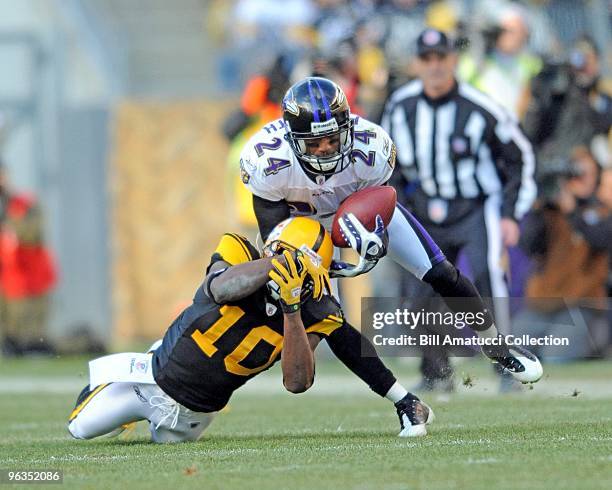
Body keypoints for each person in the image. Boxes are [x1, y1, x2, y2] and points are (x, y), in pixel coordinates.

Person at [239, 75, 541, 404]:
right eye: (314, 143)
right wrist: (318, 265)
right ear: (293, 138)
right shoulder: (266, 161)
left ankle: (497, 345)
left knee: (441, 272)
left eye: (332, 139)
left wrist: (373, 238)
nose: (325, 149)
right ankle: (402, 398)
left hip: (358, 213)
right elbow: (275, 235)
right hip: (305, 227)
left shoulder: (370, 146)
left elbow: (379, 204)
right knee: (331, 320)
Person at [67, 217, 434, 443]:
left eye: (298, 267)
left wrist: (291, 311)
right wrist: (280, 263)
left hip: (198, 413)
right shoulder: (238, 251)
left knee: (164, 444)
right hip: (150, 379)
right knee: (80, 428)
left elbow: (296, 382)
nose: (286, 271)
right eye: (279, 256)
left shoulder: (315, 307)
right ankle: (114, 384)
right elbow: (218, 288)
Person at [380, 29, 537, 390]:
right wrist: (393, 206)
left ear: (454, 59)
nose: (435, 66)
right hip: (421, 210)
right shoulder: (400, 106)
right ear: (417, 63)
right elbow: (386, 163)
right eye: (427, 59)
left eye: (442, 58)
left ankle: (506, 367)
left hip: (473, 209)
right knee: (416, 295)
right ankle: (437, 373)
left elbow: (520, 156)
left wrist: (511, 212)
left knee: (485, 280)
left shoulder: (480, 106)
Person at [0, 161, 57, 356]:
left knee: (32, 335)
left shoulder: (23, 204)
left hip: (30, 275)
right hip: (8, 277)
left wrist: (11, 224)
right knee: (11, 334)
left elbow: (33, 234)